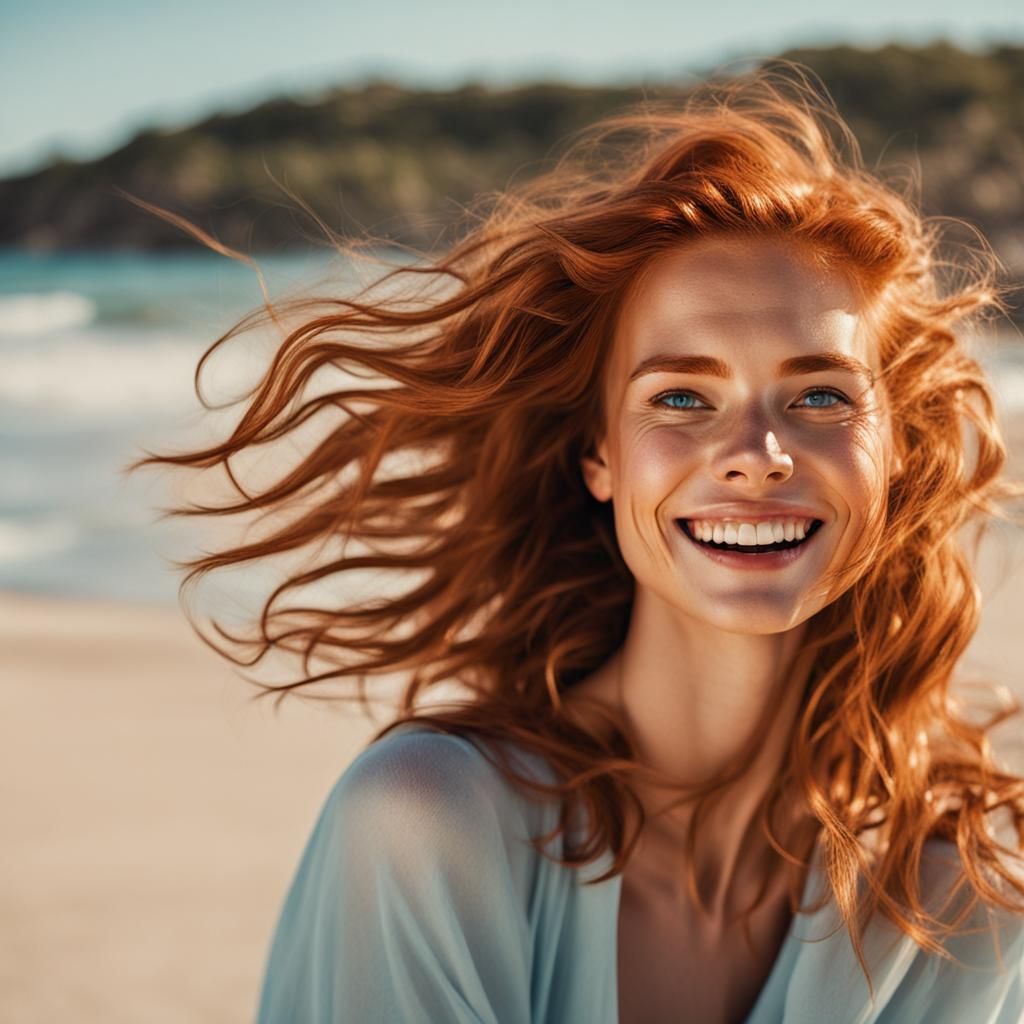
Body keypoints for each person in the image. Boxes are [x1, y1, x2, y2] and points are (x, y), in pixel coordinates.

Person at [127, 64, 1024, 1022]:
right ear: (599, 453)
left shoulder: (968, 893)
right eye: (682, 397)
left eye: (819, 396)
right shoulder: (428, 822)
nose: (757, 456)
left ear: (895, 451)